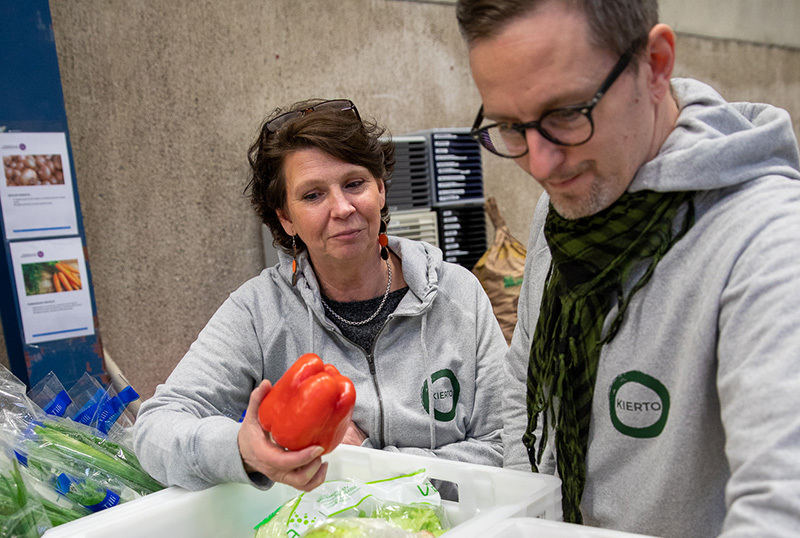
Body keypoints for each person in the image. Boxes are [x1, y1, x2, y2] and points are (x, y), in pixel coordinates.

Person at [456, 0, 800, 536]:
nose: (540, 165)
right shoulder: (570, 204)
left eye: (567, 113)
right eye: (510, 127)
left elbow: (780, 508)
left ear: (656, 65)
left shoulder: (768, 242)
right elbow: (524, 381)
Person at [133, 98, 506, 494]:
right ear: (285, 218)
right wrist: (244, 449)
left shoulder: (457, 294)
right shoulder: (260, 311)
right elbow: (155, 429)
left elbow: (509, 448)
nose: (342, 208)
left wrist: (370, 463)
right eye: (312, 195)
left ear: (380, 189)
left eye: (354, 184)